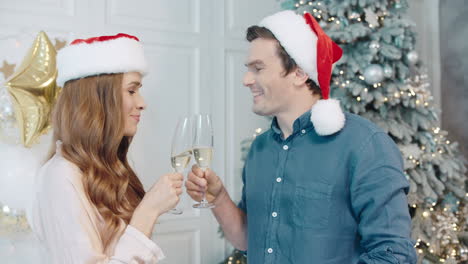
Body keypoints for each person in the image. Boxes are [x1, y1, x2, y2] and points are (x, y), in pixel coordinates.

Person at [185, 10, 417, 263]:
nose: (246, 79)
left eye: (258, 68)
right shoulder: (260, 149)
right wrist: (218, 198)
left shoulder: (364, 145)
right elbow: (249, 239)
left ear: (299, 72)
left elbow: (393, 254)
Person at [31, 33, 183, 263]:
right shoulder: (61, 177)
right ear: (99, 99)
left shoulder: (104, 169)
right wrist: (148, 211)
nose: (142, 102)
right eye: (132, 90)